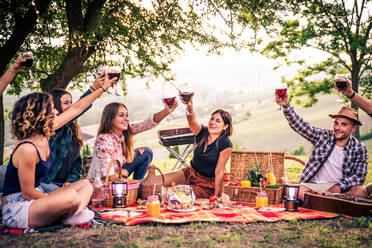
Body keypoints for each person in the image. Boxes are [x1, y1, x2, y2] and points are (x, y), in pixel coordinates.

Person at [1, 74, 116, 229]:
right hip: (19, 208)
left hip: (39, 197)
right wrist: (54, 198)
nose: (56, 111)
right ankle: (71, 212)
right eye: (51, 109)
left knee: (85, 185)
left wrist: (102, 88)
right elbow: (27, 193)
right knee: (70, 197)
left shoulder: (46, 132)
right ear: (40, 116)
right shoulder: (27, 148)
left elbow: (76, 109)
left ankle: (69, 213)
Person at [276, 92, 368, 200]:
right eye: (336, 123)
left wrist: (339, 186)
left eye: (344, 124)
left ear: (353, 128)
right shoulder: (324, 137)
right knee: (298, 191)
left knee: (360, 191)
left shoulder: (359, 148)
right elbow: (300, 126)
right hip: (314, 186)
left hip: (341, 188)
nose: (338, 128)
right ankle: (328, 200)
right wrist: (286, 106)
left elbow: (359, 176)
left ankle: (323, 200)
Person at [40, 75, 105, 193]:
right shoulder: (50, 128)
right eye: (66, 103)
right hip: (45, 184)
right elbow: (76, 110)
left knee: (90, 188)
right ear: (54, 107)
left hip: (65, 185)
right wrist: (96, 90)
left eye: (71, 102)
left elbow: (77, 163)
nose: (70, 106)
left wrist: (69, 181)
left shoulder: (71, 131)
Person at [162, 93, 233, 199]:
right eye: (212, 119)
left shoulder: (225, 143)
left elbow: (219, 171)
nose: (212, 122)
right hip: (190, 174)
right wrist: (189, 106)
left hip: (206, 185)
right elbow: (191, 121)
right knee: (156, 182)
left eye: (218, 121)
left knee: (171, 193)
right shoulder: (203, 132)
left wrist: (216, 196)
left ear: (225, 127)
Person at [87, 100, 178, 182]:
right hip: (104, 184)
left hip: (118, 174)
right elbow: (109, 175)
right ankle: (138, 187)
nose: (126, 119)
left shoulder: (123, 134)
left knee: (146, 152)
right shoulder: (104, 139)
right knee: (148, 185)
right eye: (121, 115)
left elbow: (147, 124)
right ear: (110, 119)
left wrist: (166, 111)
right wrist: (122, 172)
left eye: (127, 115)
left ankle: (137, 185)